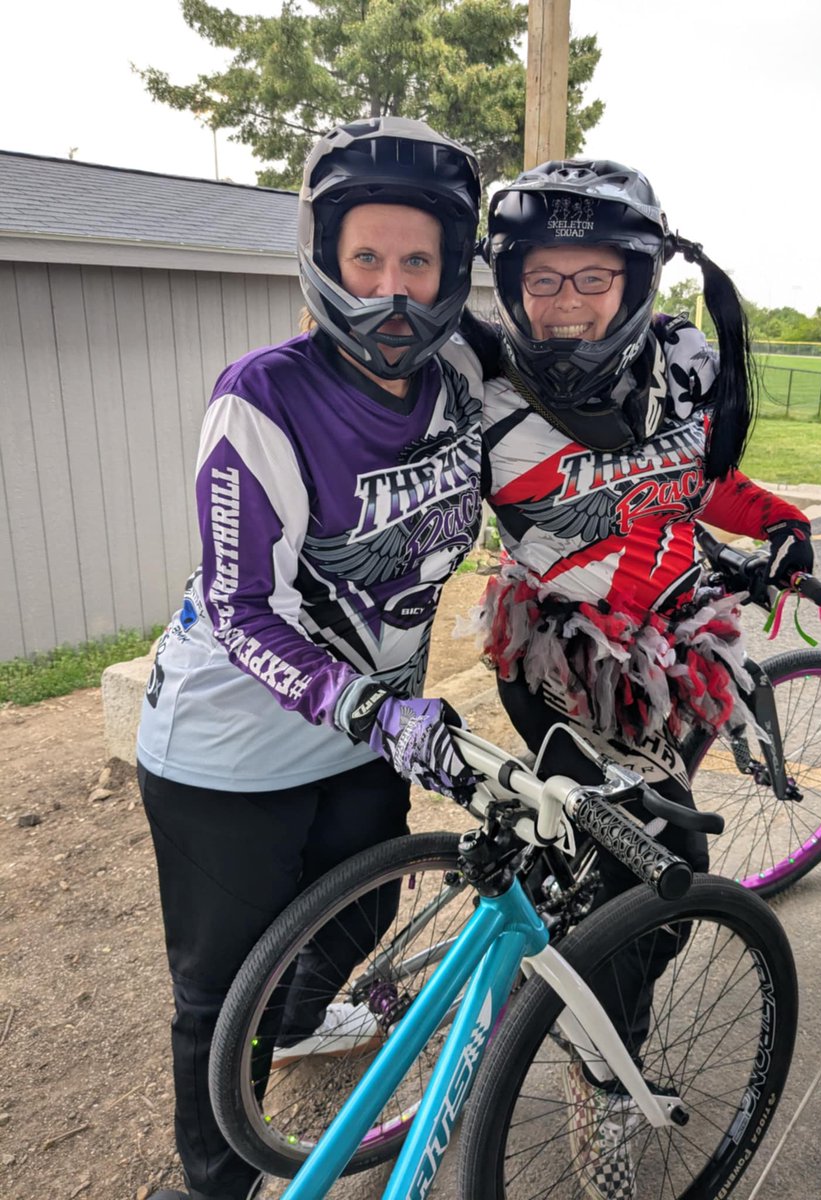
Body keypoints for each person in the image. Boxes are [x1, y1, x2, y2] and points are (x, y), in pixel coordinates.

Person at [135, 116, 484, 1200]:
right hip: (228, 749)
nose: (391, 290)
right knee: (217, 992)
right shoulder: (265, 395)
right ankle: (216, 1178)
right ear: (325, 257)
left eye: (417, 262)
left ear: (450, 270)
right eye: (365, 258)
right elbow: (242, 607)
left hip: (370, 727)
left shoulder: (465, 378)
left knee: (356, 915)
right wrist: (377, 713)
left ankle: (292, 1029)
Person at [471, 159, 814, 1198]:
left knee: (632, 858)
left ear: (635, 281)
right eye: (545, 280)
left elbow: (704, 478)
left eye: (592, 280)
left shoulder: (684, 364)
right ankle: (602, 1073)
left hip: (684, 655)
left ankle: (567, 962)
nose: (567, 303)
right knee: (644, 880)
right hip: (562, 660)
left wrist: (782, 523)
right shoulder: (475, 379)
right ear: (511, 282)